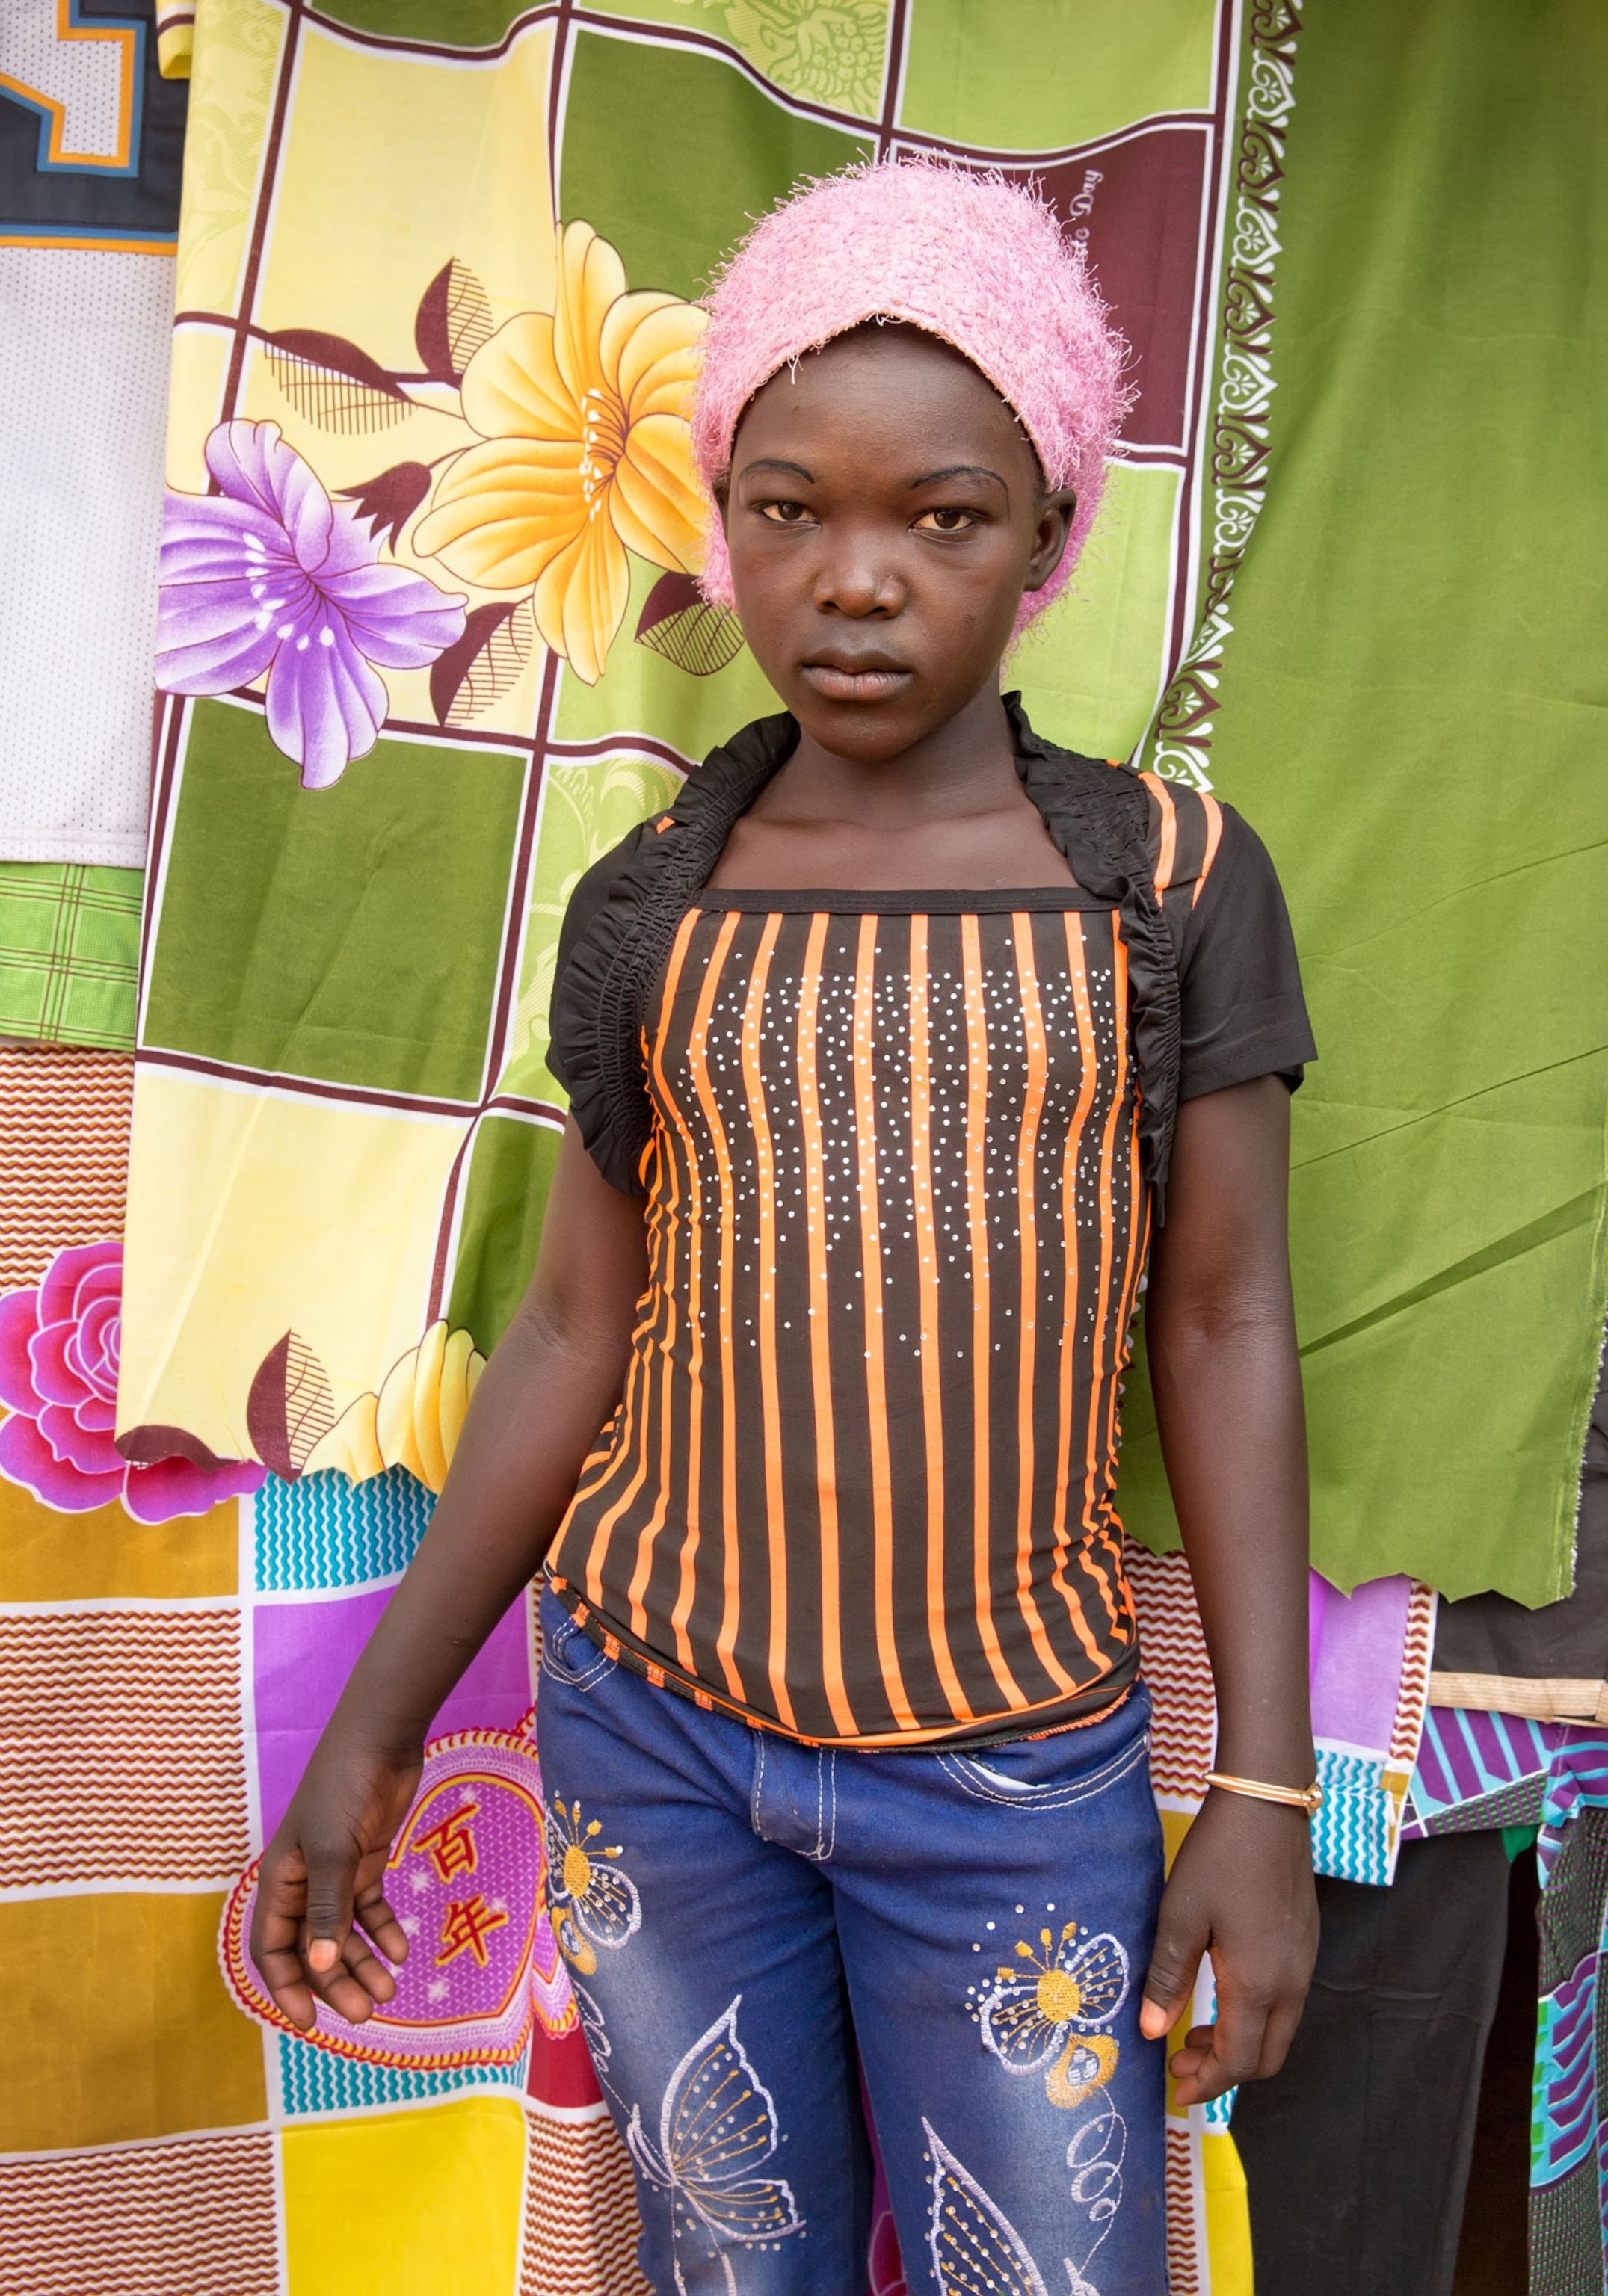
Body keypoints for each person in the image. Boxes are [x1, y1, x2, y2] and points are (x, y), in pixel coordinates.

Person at [250, 159, 1320, 2293]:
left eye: (943, 517)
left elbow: (1219, 1330)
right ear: (717, 513)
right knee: (733, 2262)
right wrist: (376, 1726)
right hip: (657, 1746)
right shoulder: (658, 901)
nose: (856, 582)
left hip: (1011, 1780)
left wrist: (1265, 1804)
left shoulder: (1169, 887)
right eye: (787, 507)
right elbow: (573, 1332)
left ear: (1045, 545)